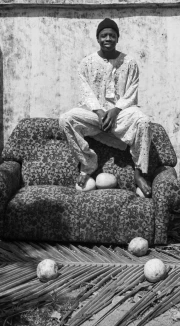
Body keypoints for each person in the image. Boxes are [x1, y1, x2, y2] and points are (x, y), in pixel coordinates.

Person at [59, 18, 152, 197]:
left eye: (112, 35)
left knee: (144, 121)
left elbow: (131, 91)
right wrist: (100, 111)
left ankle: (139, 173)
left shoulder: (129, 63)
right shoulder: (87, 63)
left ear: (117, 38)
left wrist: (115, 110)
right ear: (98, 38)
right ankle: (88, 164)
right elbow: (85, 91)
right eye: (104, 35)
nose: (107, 38)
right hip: (95, 116)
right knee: (66, 119)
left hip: (121, 116)